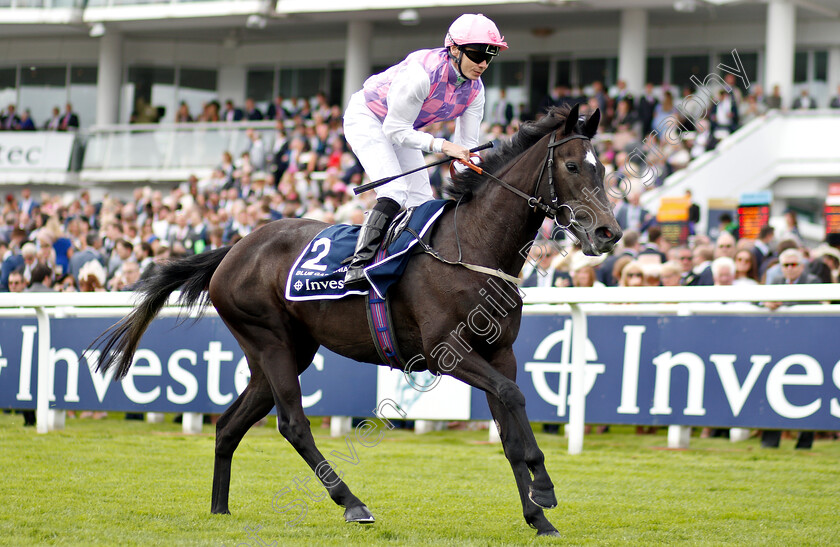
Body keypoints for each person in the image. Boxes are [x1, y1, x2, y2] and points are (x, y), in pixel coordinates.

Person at [342, 13, 507, 289]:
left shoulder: (476, 90)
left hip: (402, 127)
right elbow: (395, 130)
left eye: (490, 56)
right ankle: (358, 265)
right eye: (477, 54)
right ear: (454, 49)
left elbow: (466, 149)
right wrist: (443, 146)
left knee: (422, 201)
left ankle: (411, 263)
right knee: (394, 191)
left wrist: (480, 179)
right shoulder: (421, 75)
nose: (483, 64)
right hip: (368, 118)